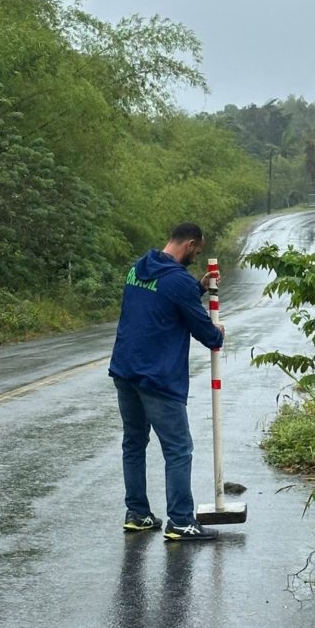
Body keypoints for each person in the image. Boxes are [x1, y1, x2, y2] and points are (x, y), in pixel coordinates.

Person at [109, 222, 225, 541]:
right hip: (157, 378)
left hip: (124, 370)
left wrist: (198, 287)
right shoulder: (177, 281)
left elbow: (163, 300)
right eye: (196, 252)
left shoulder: (137, 269)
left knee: (134, 443)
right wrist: (218, 334)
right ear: (189, 244)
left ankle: (138, 514)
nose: (195, 257)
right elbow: (206, 333)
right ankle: (180, 521)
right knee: (178, 449)